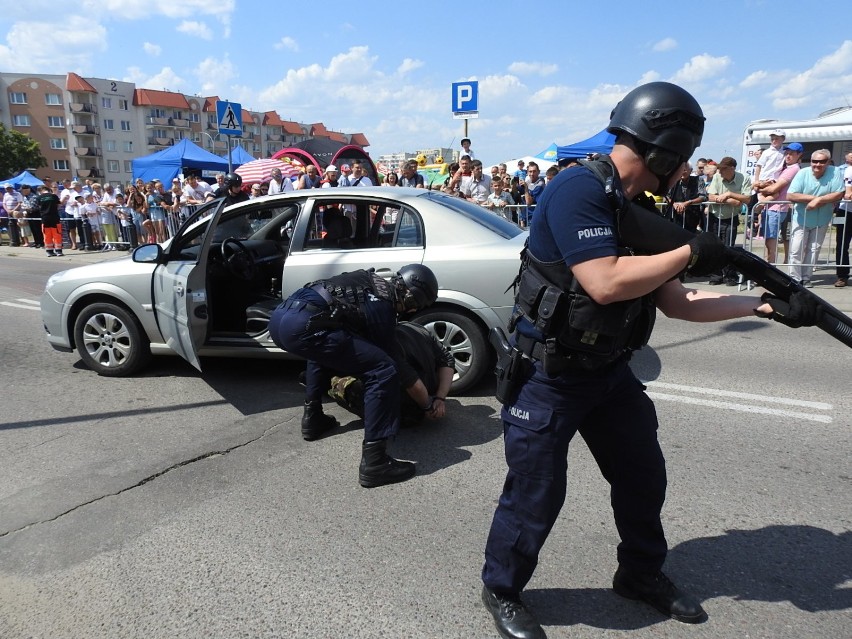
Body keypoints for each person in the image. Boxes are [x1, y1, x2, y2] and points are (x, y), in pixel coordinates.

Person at [479, 81, 822, 639]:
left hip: (610, 373)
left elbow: (677, 301)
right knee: (536, 492)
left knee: (643, 477)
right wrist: (692, 249)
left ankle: (640, 574)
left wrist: (765, 304)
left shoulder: (635, 210)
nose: (683, 171)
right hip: (551, 375)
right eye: (681, 159)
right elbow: (606, 283)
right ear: (663, 150)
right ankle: (502, 588)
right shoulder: (576, 191)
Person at [268, 264, 439, 488]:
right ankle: (375, 462)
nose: (410, 311)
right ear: (408, 294)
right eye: (414, 303)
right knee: (383, 370)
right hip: (304, 325)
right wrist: (428, 405)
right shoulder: (384, 307)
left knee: (322, 350)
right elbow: (403, 372)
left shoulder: (367, 279)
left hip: (280, 318)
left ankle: (313, 418)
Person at [327, 321, 455, 428]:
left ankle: (337, 386)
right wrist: (440, 398)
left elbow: (412, 383)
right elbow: (447, 360)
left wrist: (427, 406)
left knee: (361, 388)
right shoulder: (417, 328)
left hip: (409, 404)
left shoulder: (384, 342)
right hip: (428, 391)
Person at [786, 148, 845, 287]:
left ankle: (806, 277)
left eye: (822, 161)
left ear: (828, 162)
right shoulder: (802, 173)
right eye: (814, 161)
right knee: (796, 249)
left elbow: (839, 193)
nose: (818, 164)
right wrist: (815, 199)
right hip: (801, 217)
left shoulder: (835, 172)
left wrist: (818, 201)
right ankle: (795, 278)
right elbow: (791, 195)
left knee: (814, 249)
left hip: (822, 219)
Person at [705, 157, 752, 285]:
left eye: (723, 169)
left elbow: (747, 199)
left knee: (729, 247)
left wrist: (729, 194)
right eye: (719, 169)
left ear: (732, 168)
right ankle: (716, 275)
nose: (720, 172)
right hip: (714, 217)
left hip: (731, 217)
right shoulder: (716, 177)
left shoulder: (744, 178)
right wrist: (730, 200)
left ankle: (730, 275)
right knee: (714, 247)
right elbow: (711, 196)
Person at [756, 143, 803, 264]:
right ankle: (770, 267)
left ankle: (770, 268)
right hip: (773, 207)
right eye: (786, 153)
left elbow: (773, 189)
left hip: (778, 208)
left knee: (771, 242)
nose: (788, 156)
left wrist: (759, 188)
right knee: (769, 241)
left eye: (791, 154)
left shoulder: (793, 169)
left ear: (799, 155)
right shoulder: (785, 168)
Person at [665, 163, 706, 231]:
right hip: (676, 217)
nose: (682, 172)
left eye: (684, 170)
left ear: (691, 170)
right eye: (681, 170)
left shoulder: (698, 180)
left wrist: (688, 202)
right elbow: (666, 196)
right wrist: (673, 203)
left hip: (692, 216)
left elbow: (703, 197)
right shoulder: (674, 180)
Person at [833, 151, 852, 287]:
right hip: (846, 211)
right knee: (842, 244)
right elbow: (848, 194)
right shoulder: (849, 171)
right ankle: (842, 276)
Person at [35, 185, 63, 256]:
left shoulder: (39, 198)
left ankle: (49, 251)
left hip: (45, 218)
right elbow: (59, 205)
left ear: (41, 190)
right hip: (54, 217)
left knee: (47, 235)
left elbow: (38, 207)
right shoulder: (54, 196)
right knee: (57, 234)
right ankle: (58, 250)